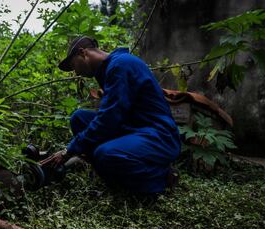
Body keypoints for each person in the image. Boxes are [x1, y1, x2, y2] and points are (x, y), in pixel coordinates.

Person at [44, 36, 181, 194]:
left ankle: (162, 177)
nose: (76, 72)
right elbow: (111, 116)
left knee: (105, 154)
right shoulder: (108, 69)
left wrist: (69, 150)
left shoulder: (120, 65)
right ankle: (112, 176)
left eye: (73, 65)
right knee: (79, 118)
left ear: (82, 53)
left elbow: (109, 118)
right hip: (133, 127)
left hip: (159, 135)